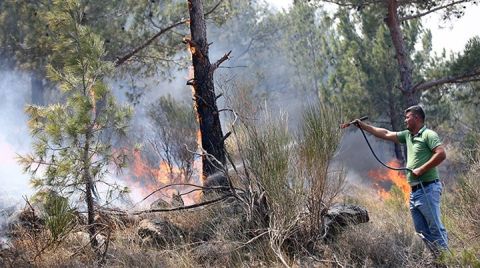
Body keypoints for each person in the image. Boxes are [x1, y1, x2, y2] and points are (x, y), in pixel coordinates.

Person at [343, 105, 448, 255]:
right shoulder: (407, 135)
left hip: (428, 189)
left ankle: (445, 260)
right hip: (415, 193)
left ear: (417, 118)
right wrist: (363, 126)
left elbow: (441, 154)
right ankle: (438, 258)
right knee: (421, 230)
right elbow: (385, 133)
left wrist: (421, 169)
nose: (405, 120)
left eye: (408, 117)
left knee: (435, 228)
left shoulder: (428, 135)